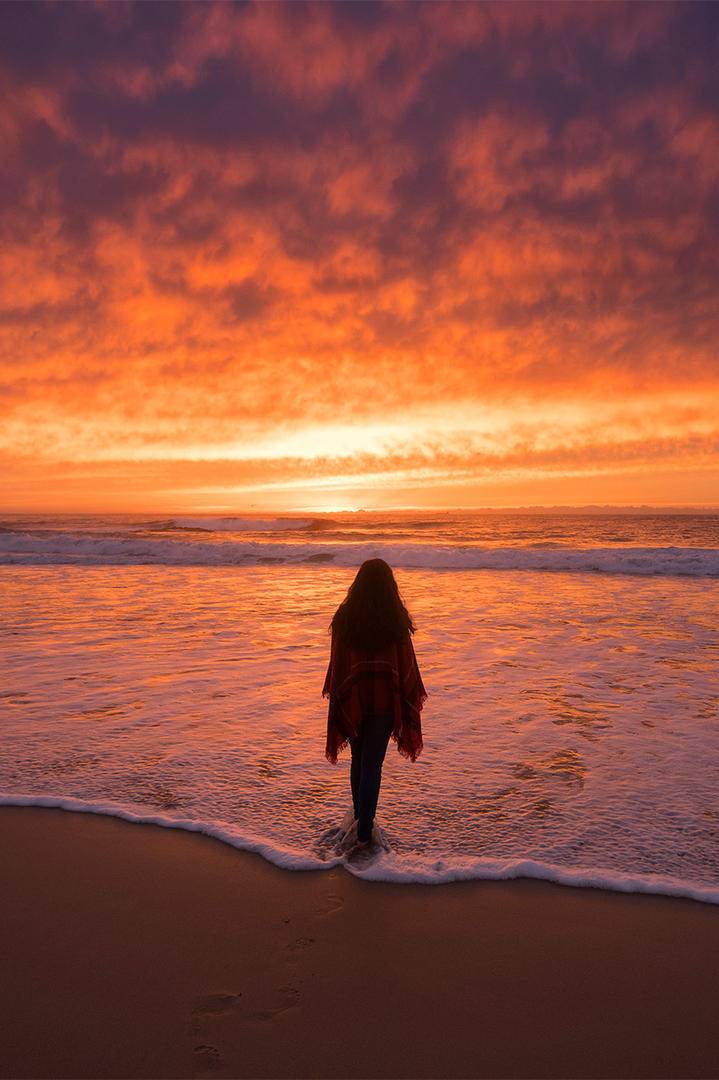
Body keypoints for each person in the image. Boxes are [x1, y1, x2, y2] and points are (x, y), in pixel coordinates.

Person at [322, 558, 427, 849]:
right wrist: (406, 693)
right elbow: (406, 664)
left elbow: (339, 663)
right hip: (383, 699)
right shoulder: (395, 618)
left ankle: (360, 821)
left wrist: (340, 691)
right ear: (389, 586)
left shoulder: (345, 617)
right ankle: (365, 831)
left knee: (358, 760)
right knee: (372, 765)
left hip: (354, 698)